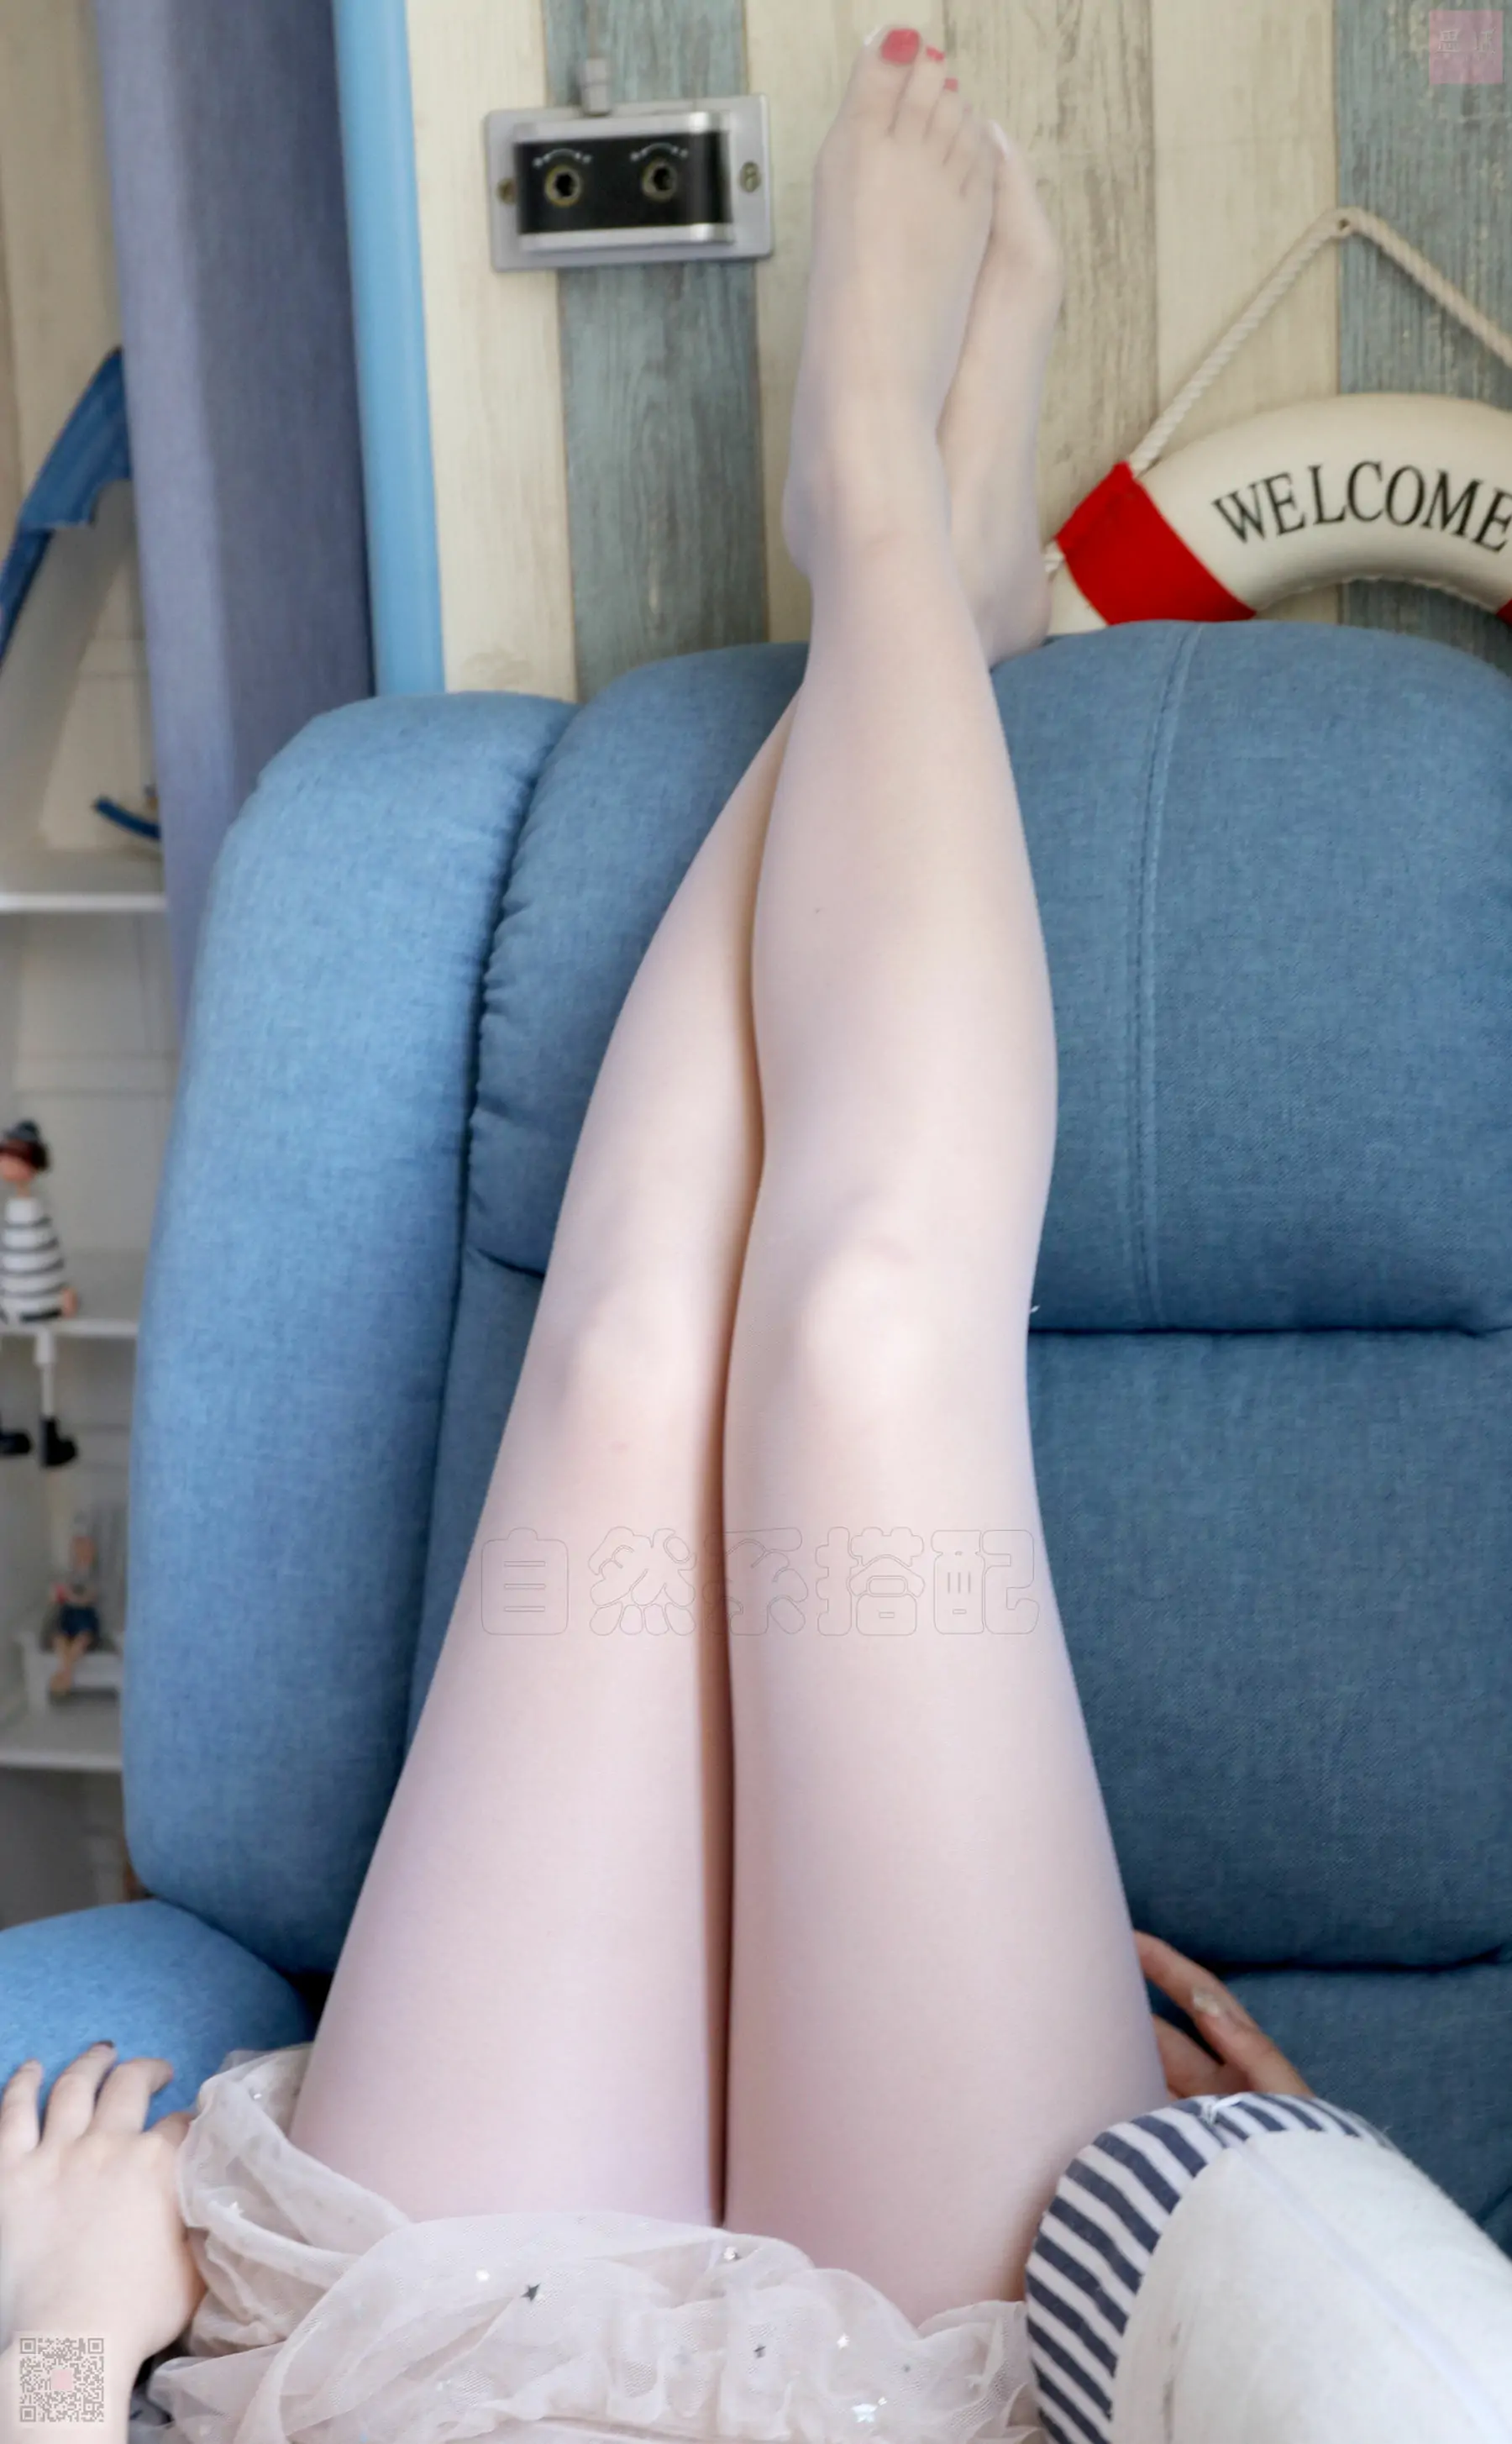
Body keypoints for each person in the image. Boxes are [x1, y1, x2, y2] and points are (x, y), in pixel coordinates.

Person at [2, 34, 1508, 2444]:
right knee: (864, 1345)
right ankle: (915, 559)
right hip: (946, 2395)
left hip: (432, 2372)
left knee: (628, 1357)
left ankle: (896, 549)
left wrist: (60, 2352)